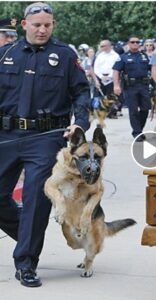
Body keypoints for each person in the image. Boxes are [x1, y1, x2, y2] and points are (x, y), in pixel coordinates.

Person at [0, 2, 90, 287]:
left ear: (53, 26)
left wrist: (81, 123)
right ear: (24, 25)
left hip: (46, 137)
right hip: (7, 136)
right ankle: (28, 235)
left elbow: (81, 92)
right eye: (36, 24)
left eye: (47, 25)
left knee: (35, 201)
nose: (42, 29)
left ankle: (26, 262)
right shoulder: (5, 55)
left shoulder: (64, 56)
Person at [113, 35, 151, 141]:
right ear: (128, 44)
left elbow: (152, 69)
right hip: (130, 86)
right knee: (133, 110)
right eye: (133, 42)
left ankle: (139, 129)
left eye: (137, 42)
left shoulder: (144, 56)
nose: (135, 44)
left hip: (144, 85)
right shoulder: (123, 57)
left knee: (145, 109)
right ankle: (137, 132)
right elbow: (116, 71)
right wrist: (116, 85)